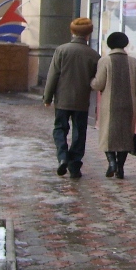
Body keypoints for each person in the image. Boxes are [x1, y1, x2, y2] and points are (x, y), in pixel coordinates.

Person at [43, 18, 100, 179]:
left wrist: (47, 97)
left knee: (60, 128)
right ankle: (74, 166)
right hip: (81, 100)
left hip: (62, 99)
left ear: (72, 32)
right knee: (79, 132)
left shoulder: (61, 50)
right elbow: (96, 79)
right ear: (88, 34)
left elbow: (53, 75)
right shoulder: (94, 55)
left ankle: (62, 156)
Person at [91, 31, 136, 180]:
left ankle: (112, 163)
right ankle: (120, 168)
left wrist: (91, 81)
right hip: (129, 105)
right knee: (125, 137)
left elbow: (98, 84)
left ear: (110, 45)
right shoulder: (132, 62)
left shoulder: (105, 61)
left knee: (107, 135)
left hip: (110, 105)